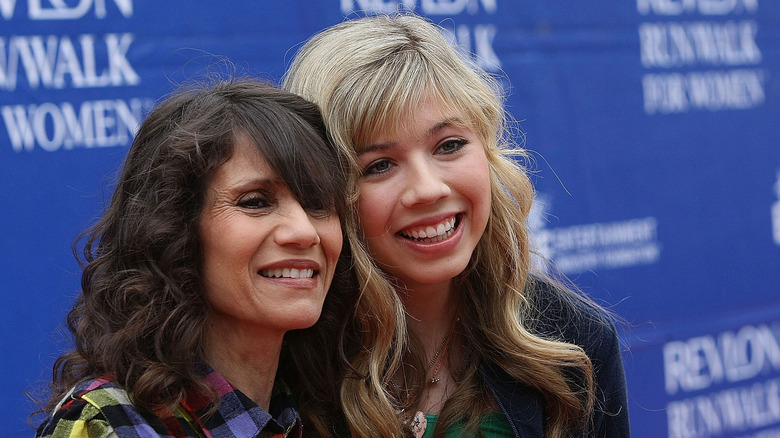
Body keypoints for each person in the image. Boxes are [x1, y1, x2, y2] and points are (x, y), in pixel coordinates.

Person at [283, 13, 630, 438]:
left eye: (449, 145)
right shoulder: (285, 360)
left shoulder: (576, 345)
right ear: (323, 187)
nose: (427, 190)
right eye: (379, 166)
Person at [34, 77, 352, 438]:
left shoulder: (328, 417)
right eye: (255, 202)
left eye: (317, 203)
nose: (305, 231)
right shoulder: (109, 425)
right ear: (175, 230)